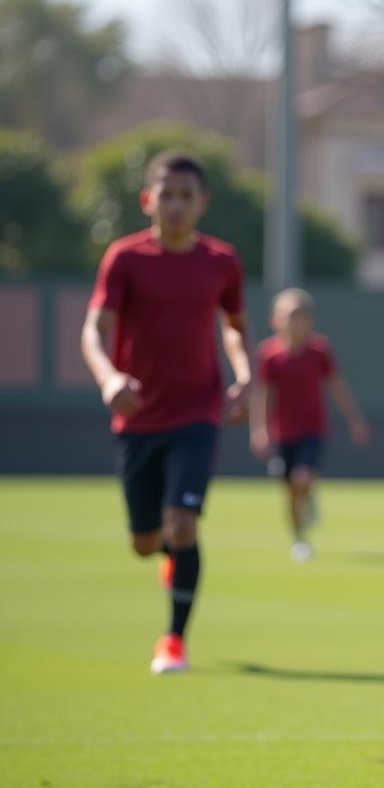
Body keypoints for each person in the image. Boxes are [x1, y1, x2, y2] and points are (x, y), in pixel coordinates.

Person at [81, 149, 251, 675]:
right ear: (147, 200)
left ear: (202, 203)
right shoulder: (125, 258)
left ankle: (173, 641)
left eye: (186, 196)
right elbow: (94, 330)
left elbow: (233, 326)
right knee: (145, 542)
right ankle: (168, 560)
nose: (175, 205)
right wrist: (109, 378)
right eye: (166, 195)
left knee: (183, 523)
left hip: (197, 413)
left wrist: (244, 374)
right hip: (137, 418)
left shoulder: (221, 261)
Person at [250, 288, 370, 562]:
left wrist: (354, 420)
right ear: (275, 320)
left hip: (312, 430)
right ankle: (299, 539)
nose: (295, 321)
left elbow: (337, 387)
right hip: (283, 434)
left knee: (302, 477)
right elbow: (263, 394)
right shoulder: (269, 354)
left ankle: (308, 493)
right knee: (290, 490)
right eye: (289, 316)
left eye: (301, 315)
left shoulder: (319, 351)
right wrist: (260, 429)